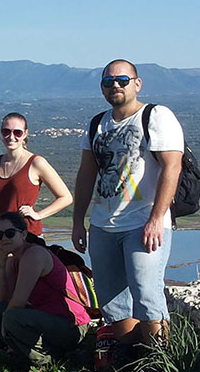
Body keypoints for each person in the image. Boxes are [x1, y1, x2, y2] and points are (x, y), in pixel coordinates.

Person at [72, 59, 183, 353]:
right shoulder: (97, 123)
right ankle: (134, 357)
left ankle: (161, 363)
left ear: (137, 83)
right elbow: (86, 175)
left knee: (147, 292)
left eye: (122, 79)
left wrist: (157, 218)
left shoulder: (155, 116)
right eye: (108, 82)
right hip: (103, 225)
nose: (115, 86)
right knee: (113, 303)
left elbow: (172, 166)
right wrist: (77, 221)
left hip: (143, 222)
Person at [0, 212, 91, 366]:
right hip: (44, 319)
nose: (4, 239)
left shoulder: (34, 255)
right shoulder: (13, 259)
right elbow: (0, 298)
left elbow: (18, 302)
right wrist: (0, 264)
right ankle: (26, 352)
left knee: (11, 317)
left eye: (9, 233)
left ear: (23, 234)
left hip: (71, 325)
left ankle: (48, 360)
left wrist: (6, 331)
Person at [0, 112, 73, 261]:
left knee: (28, 281)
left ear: (25, 134)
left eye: (17, 132)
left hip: (27, 237)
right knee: (4, 283)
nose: (11, 136)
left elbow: (66, 197)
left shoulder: (36, 163)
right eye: (6, 131)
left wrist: (38, 215)